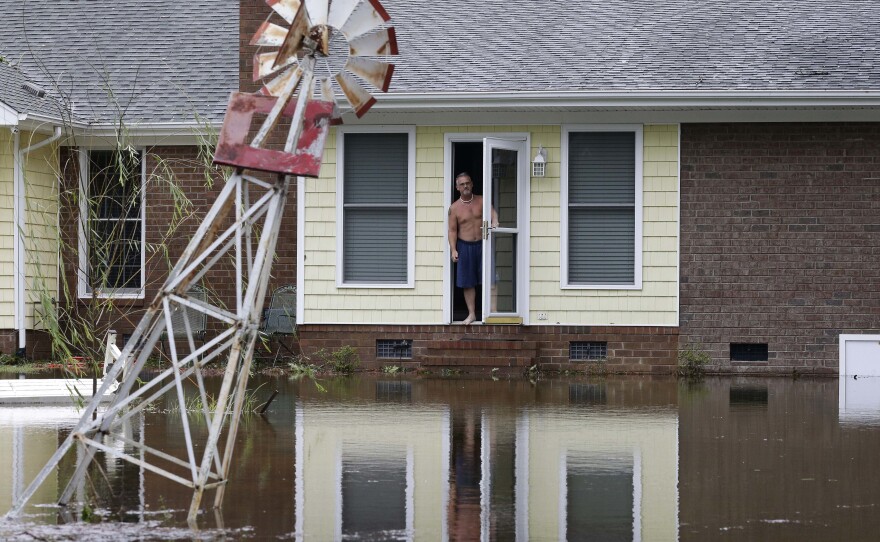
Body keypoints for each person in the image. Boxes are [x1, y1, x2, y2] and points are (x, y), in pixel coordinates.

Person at [448, 172, 498, 324]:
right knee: (468, 282)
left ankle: (493, 313)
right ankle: (472, 314)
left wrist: (495, 222)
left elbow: (492, 213)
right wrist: (453, 249)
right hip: (465, 246)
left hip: (484, 243)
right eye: (462, 184)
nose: (465, 186)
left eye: (467, 183)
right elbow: (452, 230)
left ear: (472, 184)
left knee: (491, 278)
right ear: (457, 188)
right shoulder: (454, 208)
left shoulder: (482, 200)